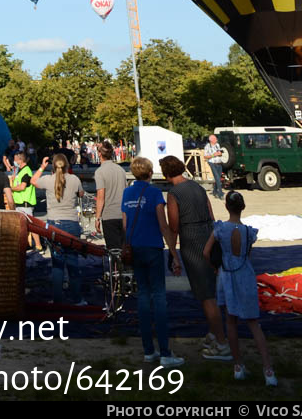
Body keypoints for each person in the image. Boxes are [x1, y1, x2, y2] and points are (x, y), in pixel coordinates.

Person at [204, 191, 277, 385]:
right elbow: (247, 255)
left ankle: (238, 366)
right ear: (242, 207)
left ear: (227, 207)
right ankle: (268, 370)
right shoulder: (249, 232)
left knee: (231, 322)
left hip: (227, 276)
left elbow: (206, 252)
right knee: (254, 323)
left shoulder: (220, 230)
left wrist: (216, 268)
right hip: (244, 275)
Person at [161, 155, 229, 359]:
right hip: (208, 235)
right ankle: (214, 333)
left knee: (205, 294)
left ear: (165, 173)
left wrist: (173, 253)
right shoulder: (197, 187)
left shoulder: (173, 194)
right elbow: (211, 213)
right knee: (211, 290)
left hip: (192, 241)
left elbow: (173, 225)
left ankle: (222, 343)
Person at [121, 157, 185, 368]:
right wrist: (174, 253)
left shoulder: (127, 193)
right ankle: (165, 351)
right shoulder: (155, 193)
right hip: (152, 247)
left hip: (134, 247)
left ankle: (148, 349)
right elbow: (163, 225)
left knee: (143, 296)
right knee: (159, 297)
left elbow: (125, 224)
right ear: (150, 173)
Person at [31, 153, 85, 305]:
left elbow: (33, 180)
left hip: (55, 224)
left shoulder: (48, 180)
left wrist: (42, 167)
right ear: (67, 165)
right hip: (72, 223)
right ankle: (77, 298)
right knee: (73, 261)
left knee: (57, 263)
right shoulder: (74, 179)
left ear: (53, 166)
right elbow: (81, 193)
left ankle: (58, 299)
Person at [94, 140, 127, 251]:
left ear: (99, 153)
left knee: (114, 251)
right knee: (124, 249)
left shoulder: (100, 172)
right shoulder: (121, 170)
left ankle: (116, 268)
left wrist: (97, 217)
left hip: (109, 215)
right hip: (123, 214)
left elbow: (100, 197)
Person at [204, 134, 225, 200]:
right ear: (211, 140)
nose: (217, 139)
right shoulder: (207, 146)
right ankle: (220, 194)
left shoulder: (217, 145)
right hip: (212, 163)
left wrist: (220, 153)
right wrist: (214, 155)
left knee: (218, 178)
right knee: (218, 178)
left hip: (219, 163)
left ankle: (215, 191)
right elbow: (205, 156)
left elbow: (220, 153)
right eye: (215, 139)